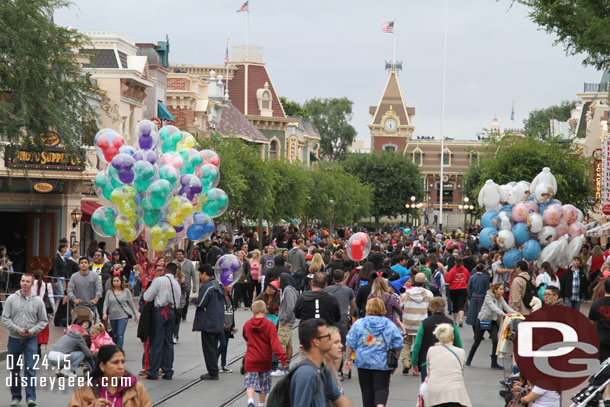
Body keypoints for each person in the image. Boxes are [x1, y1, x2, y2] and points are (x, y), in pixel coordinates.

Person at [344, 298, 403, 407]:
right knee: (382, 388)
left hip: (363, 362)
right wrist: (395, 359)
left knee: (366, 390)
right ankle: (380, 405)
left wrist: (347, 359)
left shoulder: (359, 324)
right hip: (383, 362)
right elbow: (398, 343)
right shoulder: (389, 324)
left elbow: (350, 342)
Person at [2, 273, 48, 407]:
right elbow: (5, 318)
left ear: (32, 284)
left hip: (31, 339)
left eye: (28, 281)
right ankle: (15, 397)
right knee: (14, 369)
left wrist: (34, 330)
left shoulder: (38, 301)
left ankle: (31, 398)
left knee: (30, 369)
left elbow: (44, 320)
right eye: (23, 281)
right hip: (14, 338)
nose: (25, 283)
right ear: (20, 282)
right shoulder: (11, 299)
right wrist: (17, 329)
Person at [290, 318, 352, 407]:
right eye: (328, 336)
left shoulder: (322, 368)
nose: (331, 339)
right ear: (316, 342)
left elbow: (338, 399)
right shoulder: (307, 374)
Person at [68, 344, 152, 407]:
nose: (121, 367)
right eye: (115, 362)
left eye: (123, 362)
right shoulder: (85, 388)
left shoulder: (136, 388)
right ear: (102, 366)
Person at [243, 300, 288, 407]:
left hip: (251, 358)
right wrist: (283, 359)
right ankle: (261, 404)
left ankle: (250, 401)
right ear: (265, 311)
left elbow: (245, 336)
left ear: (253, 311)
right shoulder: (270, 325)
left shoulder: (247, 324)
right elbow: (275, 344)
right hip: (265, 359)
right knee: (264, 384)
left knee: (250, 382)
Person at [142, 262, 181, 380]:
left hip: (160, 312)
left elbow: (147, 297)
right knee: (168, 342)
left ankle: (153, 371)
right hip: (172, 313)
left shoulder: (159, 281)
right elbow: (178, 303)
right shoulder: (176, 284)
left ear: (165, 270)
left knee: (157, 341)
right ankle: (168, 370)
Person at [465, 282, 517, 369]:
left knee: (495, 340)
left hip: (492, 321)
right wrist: (504, 314)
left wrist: (515, 313)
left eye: (503, 289)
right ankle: (469, 359)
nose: (502, 291)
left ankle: (494, 362)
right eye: (500, 289)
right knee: (477, 341)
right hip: (483, 320)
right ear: (495, 290)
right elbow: (494, 307)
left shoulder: (500, 298)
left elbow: (506, 307)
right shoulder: (488, 297)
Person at [411, 297, 462, 382]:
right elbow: (458, 343)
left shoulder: (425, 323)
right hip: (447, 361)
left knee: (427, 389)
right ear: (444, 307)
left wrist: (414, 362)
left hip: (427, 361)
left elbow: (417, 344)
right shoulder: (451, 323)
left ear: (431, 307)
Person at [425, 323, 472, 407]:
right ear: (452, 337)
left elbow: (429, 371)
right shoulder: (461, 352)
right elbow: (461, 368)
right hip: (455, 393)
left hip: (435, 392)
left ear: (438, 337)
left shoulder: (431, 350)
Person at [192, 263, 225, 380]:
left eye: (200, 274)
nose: (200, 277)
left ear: (204, 273)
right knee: (214, 347)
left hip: (209, 322)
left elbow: (201, 303)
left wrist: (194, 299)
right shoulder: (217, 284)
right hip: (217, 321)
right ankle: (214, 369)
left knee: (209, 348)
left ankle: (212, 372)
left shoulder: (208, 286)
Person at [399, 273, 432, 375]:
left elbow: (401, 306)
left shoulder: (406, 294)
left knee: (406, 343)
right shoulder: (429, 294)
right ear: (423, 282)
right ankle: (416, 366)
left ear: (414, 281)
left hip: (407, 322)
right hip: (421, 324)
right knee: (419, 345)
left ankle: (406, 362)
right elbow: (430, 308)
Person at [103, 273, 139, 349]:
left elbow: (131, 304)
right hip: (112, 316)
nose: (115, 282)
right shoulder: (109, 292)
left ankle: (119, 350)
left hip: (123, 315)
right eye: (114, 281)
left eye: (117, 281)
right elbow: (105, 303)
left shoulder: (126, 291)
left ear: (121, 282)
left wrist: (136, 315)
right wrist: (104, 313)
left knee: (120, 334)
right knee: (115, 334)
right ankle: (115, 348)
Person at [325, 269, 356, 344]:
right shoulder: (349, 290)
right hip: (342, 318)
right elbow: (353, 305)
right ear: (344, 278)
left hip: (330, 318)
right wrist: (350, 315)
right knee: (342, 343)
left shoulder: (327, 289)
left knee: (329, 341)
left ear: (333, 279)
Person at [67, 257, 103, 321]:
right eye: (81, 263)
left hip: (91, 306)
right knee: (79, 328)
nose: (83, 264)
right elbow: (69, 290)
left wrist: (96, 298)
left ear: (89, 264)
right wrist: (74, 299)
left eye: (85, 262)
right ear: (79, 265)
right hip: (78, 306)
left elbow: (100, 288)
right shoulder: (74, 276)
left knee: (90, 328)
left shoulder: (95, 275)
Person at [278, 273, 298, 364]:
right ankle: (287, 363)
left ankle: (281, 365)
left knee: (281, 342)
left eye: (279, 279)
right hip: (289, 320)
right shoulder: (290, 289)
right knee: (289, 343)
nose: (278, 282)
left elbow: (291, 306)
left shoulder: (287, 290)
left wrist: (284, 319)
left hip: (286, 321)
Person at [588, 278, 610, 362]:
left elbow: (590, 324)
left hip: (601, 338)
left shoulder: (596, 303)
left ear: (604, 288)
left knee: (601, 366)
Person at [445, 257, 471, 327]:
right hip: (463, 289)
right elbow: (469, 278)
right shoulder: (465, 270)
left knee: (454, 305)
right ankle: (461, 320)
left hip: (453, 289)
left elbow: (447, 280)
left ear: (455, 262)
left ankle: (455, 321)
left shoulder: (452, 271)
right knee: (461, 305)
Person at [466, 263, 490, 334]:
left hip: (473, 297)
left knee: (473, 316)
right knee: (482, 316)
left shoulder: (472, 277)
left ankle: (475, 333)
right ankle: (481, 333)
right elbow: (487, 289)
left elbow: (469, 288)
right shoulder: (485, 277)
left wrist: (470, 296)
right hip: (482, 297)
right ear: (483, 270)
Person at [218, 284, 236, 373]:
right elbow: (217, 311)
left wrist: (233, 325)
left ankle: (223, 365)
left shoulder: (229, 297)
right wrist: (221, 322)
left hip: (229, 326)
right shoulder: (220, 297)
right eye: (229, 285)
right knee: (223, 344)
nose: (231, 286)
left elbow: (232, 312)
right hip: (222, 326)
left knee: (225, 346)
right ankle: (214, 361)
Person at [175, 249, 197, 322]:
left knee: (185, 301)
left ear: (184, 255)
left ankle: (184, 315)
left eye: (180, 254)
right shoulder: (174, 263)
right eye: (177, 254)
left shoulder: (189, 263)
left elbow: (194, 275)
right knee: (177, 300)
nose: (178, 256)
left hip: (186, 286)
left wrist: (194, 287)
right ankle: (177, 314)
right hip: (176, 285)